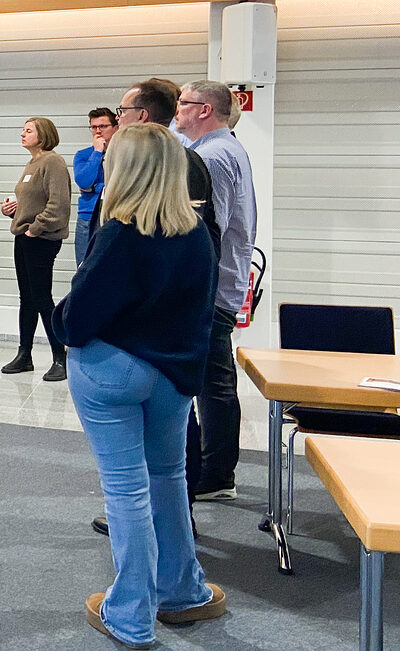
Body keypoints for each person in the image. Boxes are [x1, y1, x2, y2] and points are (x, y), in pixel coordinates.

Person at [54, 123, 227, 649]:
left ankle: (130, 613)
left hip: (113, 372)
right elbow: (204, 316)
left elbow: (78, 317)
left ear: (124, 171)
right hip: (174, 377)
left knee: (126, 488)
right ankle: (181, 591)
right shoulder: (198, 233)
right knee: (168, 478)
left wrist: (60, 323)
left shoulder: (120, 234)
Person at [89, 77, 220, 538]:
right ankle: (179, 577)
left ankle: (131, 607)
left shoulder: (127, 227)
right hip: (171, 343)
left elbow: (83, 309)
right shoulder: (188, 199)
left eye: (121, 113)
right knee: (165, 471)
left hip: (141, 346)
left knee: (135, 482)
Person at [176, 79, 259, 502]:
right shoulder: (218, 149)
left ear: (205, 109)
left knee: (213, 383)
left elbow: (212, 230)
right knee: (215, 380)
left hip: (210, 289)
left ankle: (214, 472)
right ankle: (217, 469)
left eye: (183, 103)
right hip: (220, 285)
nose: (176, 110)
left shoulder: (212, 156)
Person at [0, 116, 71, 382]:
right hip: (25, 236)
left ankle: (59, 356)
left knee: (41, 297)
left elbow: (58, 205)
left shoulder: (52, 161)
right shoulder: (33, 162)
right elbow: (34, 201)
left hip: (41, 239)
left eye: (28, 130)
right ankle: (24, 355)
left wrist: (35, 227)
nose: (22, 133)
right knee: (27, 298)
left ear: (43, 135)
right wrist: (14, 211)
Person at [73, 108, 117, 267]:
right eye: (94, 127)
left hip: (113, 215)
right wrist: (97, 152)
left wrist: (96, 188)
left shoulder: (122, 154)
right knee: (84, 266)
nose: (98, 131)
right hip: (88, 216)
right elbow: (84, 182)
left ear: (115, 128)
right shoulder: (83, 155)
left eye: (103, 126)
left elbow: (120, 186)